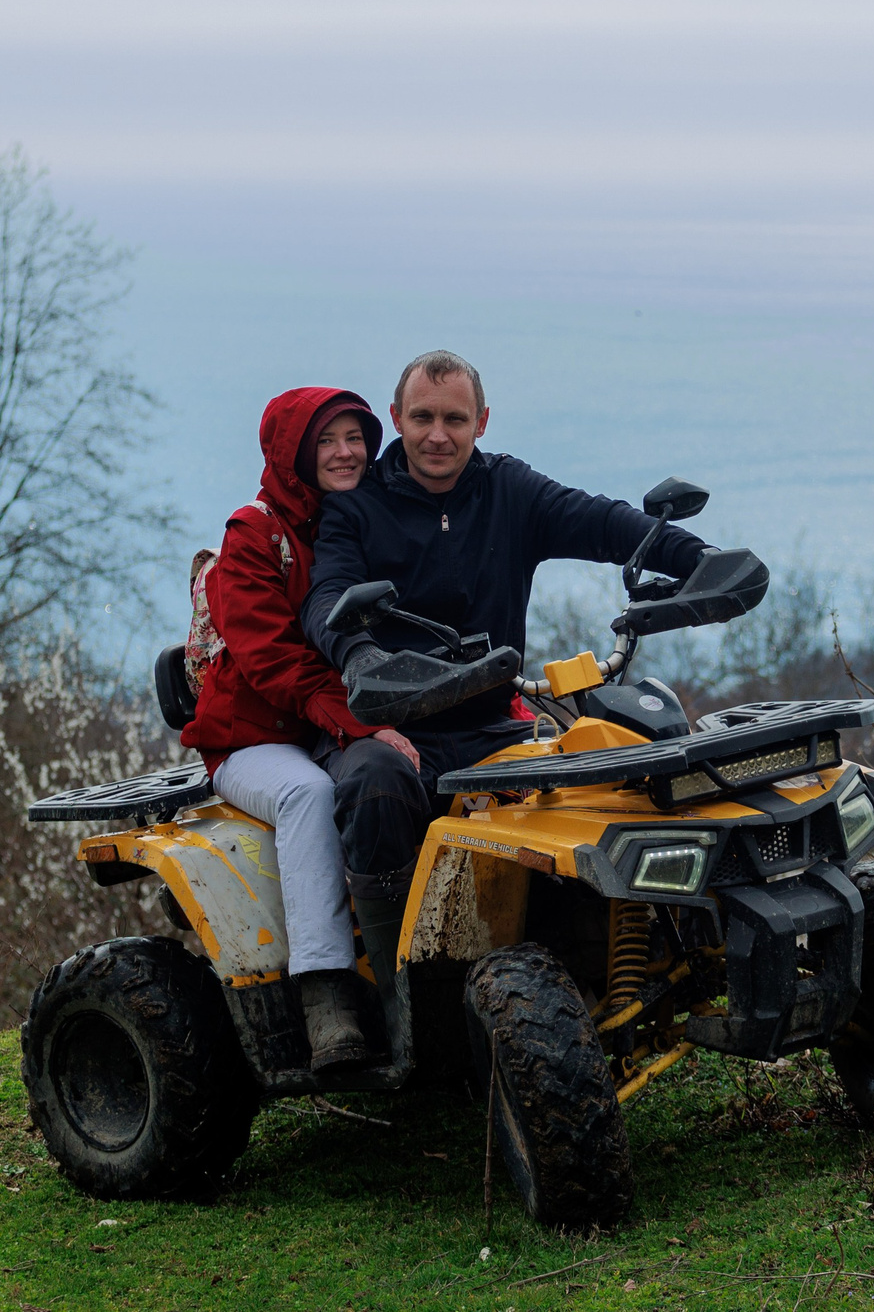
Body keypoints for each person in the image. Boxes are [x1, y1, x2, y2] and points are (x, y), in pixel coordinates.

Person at [301, 349, 710, 998]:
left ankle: (593, 972)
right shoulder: (357, 509)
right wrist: (359, 653)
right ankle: (397, 994)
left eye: (455, 419)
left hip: (492, 724)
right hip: (388, 726)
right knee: (375, 786)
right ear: (397, 417)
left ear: (482, 421)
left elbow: (600, 520)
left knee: (603, 781)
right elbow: (328, 594)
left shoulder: (508, 489)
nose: (439, 434)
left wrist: (696, 558)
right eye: (424, 417)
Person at [180, 386, 420, 1073]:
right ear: (293, 451)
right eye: (326, 440)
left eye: (355, 436)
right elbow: (270, 659)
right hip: (253, 739)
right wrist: (359, 723)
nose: (346, 452)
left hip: (326, 722)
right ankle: (328, 998)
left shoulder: (356, 518)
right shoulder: (252, 535)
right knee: (307, 796)